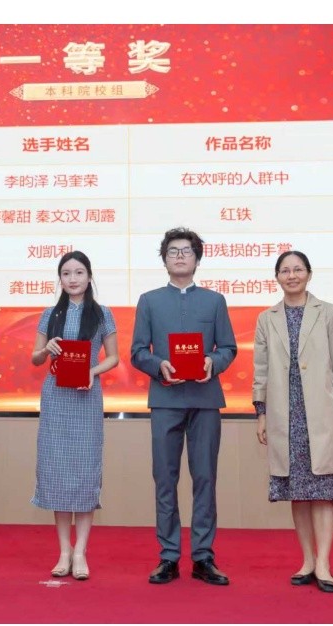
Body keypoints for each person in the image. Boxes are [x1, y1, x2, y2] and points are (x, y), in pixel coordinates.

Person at [130, 227, 237, 586]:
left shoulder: (214, 301)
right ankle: (168, 556)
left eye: (186, 251)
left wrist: (212, 362)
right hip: (165, 400)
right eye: (173, 251)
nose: (179, 256)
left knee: (205, 478)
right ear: (164, 259)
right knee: (165, 479)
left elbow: (228, 348)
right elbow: (137, 351)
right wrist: (157, 365)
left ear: (197, 259)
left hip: (205, 400)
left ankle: (203, 556)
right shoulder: (149, 301)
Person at [252, 250, 333, 594]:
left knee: (323, 492)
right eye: (285, 270)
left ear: (309, 274)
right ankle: (307, 561)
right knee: (298, 493)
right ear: (277, 277)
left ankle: (324, 563)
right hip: (285, 415)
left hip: (324, 413)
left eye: (298, 269)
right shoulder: (266, 318)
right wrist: (261, 413)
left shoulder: (328, 313)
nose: (292, 275)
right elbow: (261, 370)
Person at [30, 251, 119, 581]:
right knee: (57, 473)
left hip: (86, 397)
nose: (72, 278)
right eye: (66, 273)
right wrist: (46, 349)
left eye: (79, 272)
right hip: (56, 398)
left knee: (83, 473)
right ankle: (64, 551)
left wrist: (92, 372)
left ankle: (80, 551)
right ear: (60, 279)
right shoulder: (50, 314)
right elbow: (35, 359)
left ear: (89, 276)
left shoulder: (102, 314)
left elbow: (114, 357)